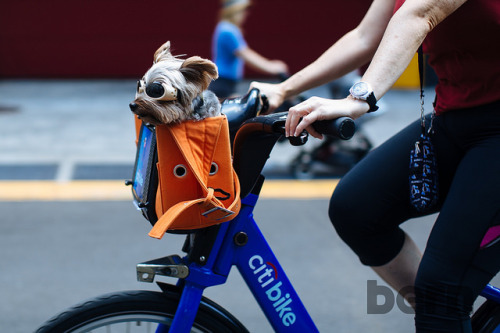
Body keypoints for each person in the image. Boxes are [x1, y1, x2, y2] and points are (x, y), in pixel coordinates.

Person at [250, 0, 500, 331]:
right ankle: (445, 316)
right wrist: (283, 90)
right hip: (455, 119)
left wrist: (357, 101)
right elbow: (365, 37)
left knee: (441, 291)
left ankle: (443, 308)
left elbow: (420, 15)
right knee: (356, 209)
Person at [209, 0, 288, 98]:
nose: (246, 14)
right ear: (234, 11)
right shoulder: (227, 30)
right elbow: (246, 54)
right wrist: (272, 67)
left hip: (227, 83)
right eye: (243, 10)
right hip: (222, 84)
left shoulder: (226, 28)